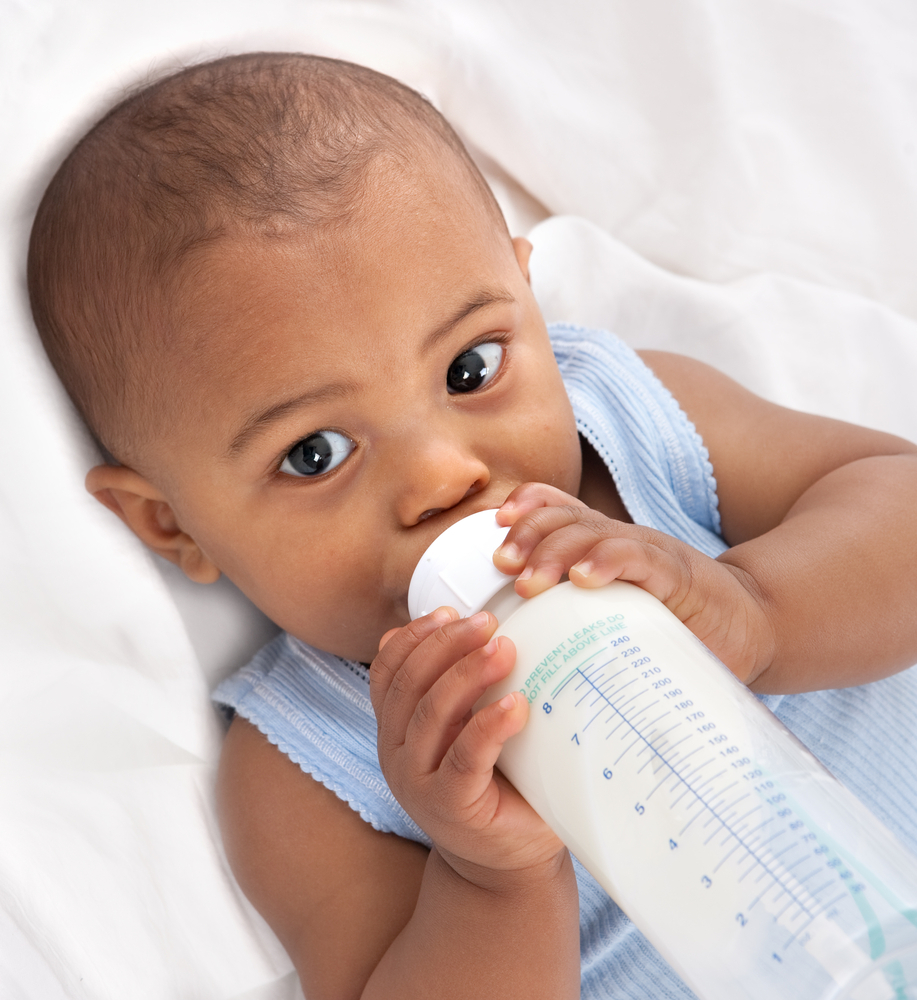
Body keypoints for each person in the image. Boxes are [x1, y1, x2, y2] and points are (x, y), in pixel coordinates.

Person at [26, 51, 917, 1000]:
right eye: (315, 453)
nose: (443, 477)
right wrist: (491, 876)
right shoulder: (306, 766)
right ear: (171, 525)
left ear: (529, 302)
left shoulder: (633, 427)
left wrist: (757, 608)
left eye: (469, 369)